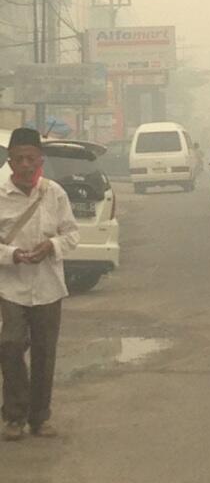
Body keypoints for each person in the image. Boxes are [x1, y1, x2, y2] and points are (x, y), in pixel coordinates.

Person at [0, 127, 79, 441]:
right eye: (19, 159)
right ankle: (14, 415)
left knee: (45, 353)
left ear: (40, 159)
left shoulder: (55, 193)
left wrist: (52, 247)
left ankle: (39, 418)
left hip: (48, 286)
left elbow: (72, 234)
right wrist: (13, 255)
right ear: (10, 160)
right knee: (11, 345)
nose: (26, 165)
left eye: (31, 158)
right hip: (10, 286)